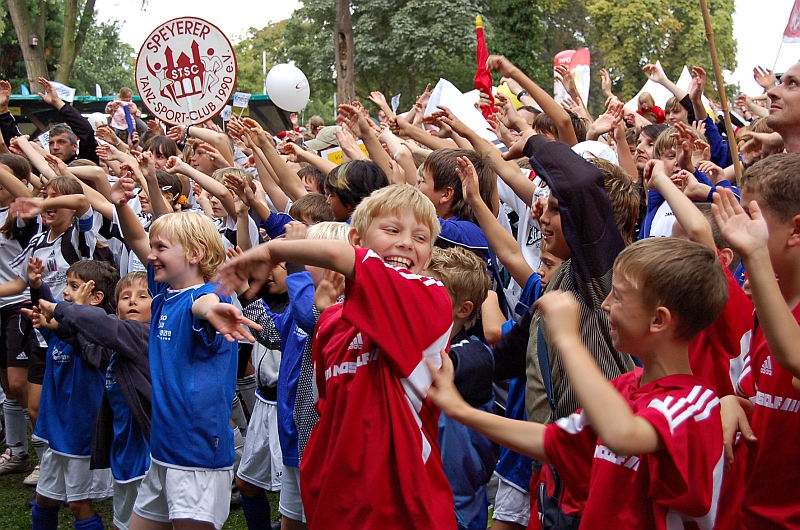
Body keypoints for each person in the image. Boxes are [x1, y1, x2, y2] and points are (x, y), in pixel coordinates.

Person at [427, 237, 728, 528]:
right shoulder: (623, 388)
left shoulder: (694, 406)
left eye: (619, 296)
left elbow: (622, 435)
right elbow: (550, 440)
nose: (607, 304)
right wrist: (460, 410)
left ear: (658, 320)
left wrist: (567, 338)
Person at [215, 184, 458, 530]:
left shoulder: (430, 299)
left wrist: (273, 250)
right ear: (358, 239)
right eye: (392, 230)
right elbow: (326, 417)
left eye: (421, 238)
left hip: (406, 507)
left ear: (429, 256)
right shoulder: (330, 322)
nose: (406, 242)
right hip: (338, 504)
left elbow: (352, 262)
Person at [113, 201, 259, 530]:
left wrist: (212, 311)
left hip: (196, 454)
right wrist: (121, 204)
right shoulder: (164, 295)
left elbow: (204, 304)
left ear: (194, 254)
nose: (150, 255)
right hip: (164, 450)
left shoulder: (205, 297)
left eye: (160, 248)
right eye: (152, 247)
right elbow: (135, 238)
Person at [711, 153, 800, 529]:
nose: (741, 227)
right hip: (748, 517)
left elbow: (795, 359)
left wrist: (756, 254)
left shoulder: (774, 305)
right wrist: (737, 403)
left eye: (753, 218)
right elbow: (769, 399)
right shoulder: (769, 303)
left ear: (796, 230)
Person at [42, 271, 152, 530]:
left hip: (148, 458)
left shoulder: (143, 337)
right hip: (124, 459)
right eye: (125, 297)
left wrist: (71, 308)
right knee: (123, 524)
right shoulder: (117, 349)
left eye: (142, 296)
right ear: (117, 309)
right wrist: (62, 326)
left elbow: (102, 328)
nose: (132, 301)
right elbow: (90, 347)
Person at [25, 259, 119, 530]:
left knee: (79, 504)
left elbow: (80, 336)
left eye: (74, 286)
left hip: (81, 435)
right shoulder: (62, 324)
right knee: (44, 498)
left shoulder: (100, 332)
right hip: (57, 432)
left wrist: (65, 319)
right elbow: (51, 312)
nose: (65, 292)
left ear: (96, 298)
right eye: (66, 284)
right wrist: (37, 285)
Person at [424, 246, 496, 530]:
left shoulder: (475, 356)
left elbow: (437, 365)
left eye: (430, 291)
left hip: (458, 510)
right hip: (421, 497)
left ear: (463, 309)